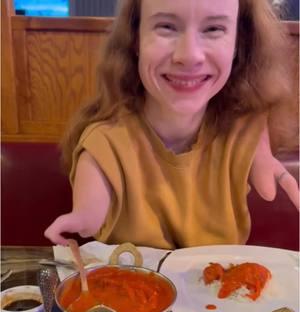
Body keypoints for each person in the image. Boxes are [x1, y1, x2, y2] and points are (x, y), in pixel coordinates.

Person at [45, 0, 299, 249]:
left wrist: (261, 144)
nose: (189, 56)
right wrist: (83, 218)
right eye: (166, 26)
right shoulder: (106, 139)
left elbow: (266, 184)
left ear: (238, 44)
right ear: (135, 39)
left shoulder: (243, 132)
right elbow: (90, 213)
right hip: (132, 285)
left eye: (213, 29)